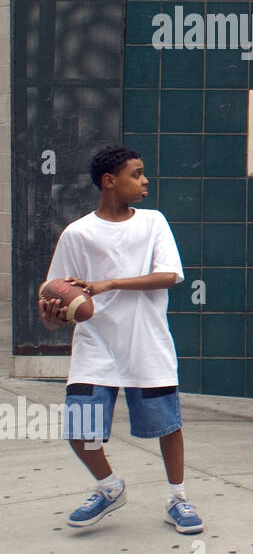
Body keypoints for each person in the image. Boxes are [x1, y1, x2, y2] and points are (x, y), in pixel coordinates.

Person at [39, 146, 202, 533]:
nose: (145, 181)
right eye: (137, 174)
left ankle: (177, 498)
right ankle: (109, 487)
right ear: (110, 181)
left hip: (147, 344)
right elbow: (56, 295)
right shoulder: (77, 233)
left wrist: (108, 283)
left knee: (167, 428)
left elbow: (168, 275)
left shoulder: (153, 222)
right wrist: (53, 317)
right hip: (96, 347)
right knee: (81, 429)